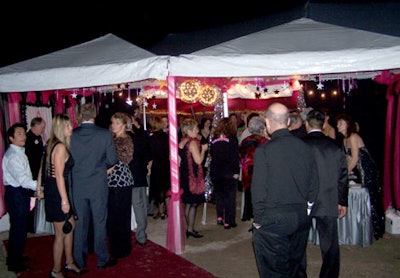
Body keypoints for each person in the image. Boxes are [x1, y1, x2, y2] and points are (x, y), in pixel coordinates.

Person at [251, 102, 319, 277]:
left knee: (274, 271)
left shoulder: (264, 151)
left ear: (267, 122)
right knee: (296, 267)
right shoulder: (305, 147)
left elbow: (258, 189)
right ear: (288, 121)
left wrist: (258, 220)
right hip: (300, 215)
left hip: (273, 219)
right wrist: (308, 209)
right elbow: (314, 184)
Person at [70, 103, 119, 271]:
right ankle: (102, 259)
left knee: (80, 223)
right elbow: (112, 159)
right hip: (98, 183)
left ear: (80, 116)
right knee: (99, 222)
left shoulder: (72, 135)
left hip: (78, 184)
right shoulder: (104, 134)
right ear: (94, 115)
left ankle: (79, 261)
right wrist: (98, 166)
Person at [303, 109, 349, 278]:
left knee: (299, 243)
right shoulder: (334, 145)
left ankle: (300, 274)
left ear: (307, 124)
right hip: (328, 198)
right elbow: (342, 176)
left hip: (304, 200)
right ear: (323, 125)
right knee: (329, 245)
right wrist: (342, 201)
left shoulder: (299, 144)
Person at [38, 114, 83, 277]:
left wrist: (39, 188)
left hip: (54, 189)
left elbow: (42, 168)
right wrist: (64, 201)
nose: (71, 128)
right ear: (60, 128)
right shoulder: (60, 147)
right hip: (58, 192)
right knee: (60, 233)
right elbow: (59, 176)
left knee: (69, 227)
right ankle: (56, 270)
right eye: (68, 126)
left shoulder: (52, 143)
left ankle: (69, 262)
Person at [336, 113, 385, 240]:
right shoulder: (344, 139)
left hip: (367, 169)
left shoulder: (353, 136)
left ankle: (378, 229)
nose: (337, 126)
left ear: (347, 124)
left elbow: (356, 158)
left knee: (372, 196)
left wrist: (344, 174)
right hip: (358, 169)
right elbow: (348, 158)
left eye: (340, 123)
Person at [2, 123, 42, 274]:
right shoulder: (13, 156)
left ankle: (15, 256)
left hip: (20, 192)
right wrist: (41, 188)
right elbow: (23, 180)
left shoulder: (19, 152)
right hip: (16, 193)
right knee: (18, 229)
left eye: (23, 133)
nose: (23, 136)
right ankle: (14, 263)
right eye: (18, 134)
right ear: (11, 138)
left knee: (20, 228)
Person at [108, 112, 134, 259]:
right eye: (113, 122)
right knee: (113, 216)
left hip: (121, 180)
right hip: (111, 180)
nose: (114, 125)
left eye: (117, 123)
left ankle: (122, 248)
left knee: (121, 215)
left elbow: (126, 158)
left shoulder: (126, 139)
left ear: (124, 125)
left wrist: (108, 166)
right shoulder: (111, 138)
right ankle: (116, 246)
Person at [179, 118, 208, 238]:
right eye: (195, 128)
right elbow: (199, 160)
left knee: (188, 202)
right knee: (193, 203)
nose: (197, 130)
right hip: (193, 177)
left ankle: (188, 228)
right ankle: (190, 229)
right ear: (190, 130)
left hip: (184, 175)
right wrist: (204, 150)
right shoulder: (192, 143)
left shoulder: (182, 141)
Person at [209, 118, 240, 229]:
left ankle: (220, 217)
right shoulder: (232, 140)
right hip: (229, 171)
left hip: (216, 171)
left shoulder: (214, 139)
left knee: (219, 195)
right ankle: (229, 221)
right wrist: (236, 171)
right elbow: (235, 157)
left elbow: (212, 154)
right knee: (230, 197)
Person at [238, 116, 268, 222]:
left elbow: (240, 156)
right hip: (259, 173)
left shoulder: (245, 141)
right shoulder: (264, 141)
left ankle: (249, 216)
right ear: (261, 129)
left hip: (247, 173)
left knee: (249, 196)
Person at [128, 116, 152, 246]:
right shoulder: (139, 136)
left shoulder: (130, 138)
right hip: (139, 173)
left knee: (138, 205)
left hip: (133, 175)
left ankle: (141, 234)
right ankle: (141, 231)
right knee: (141, 204)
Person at [25, 117, 46, 233]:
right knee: (31, 200)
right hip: (31, 176)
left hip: (37, 175)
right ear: (35, 126)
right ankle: (30, 225)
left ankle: (34, 224)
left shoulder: (38, 138)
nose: (43, 130)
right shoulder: (29, 139)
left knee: (35, 199)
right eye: (42, 127)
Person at [148, 116, 170, 220]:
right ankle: (163, 210)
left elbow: (149, 154)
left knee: (157, 188)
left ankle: (159, 210)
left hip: (156, 165)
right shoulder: (166, 137)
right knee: (164, 187)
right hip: (165, 164)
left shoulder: (151, 138)